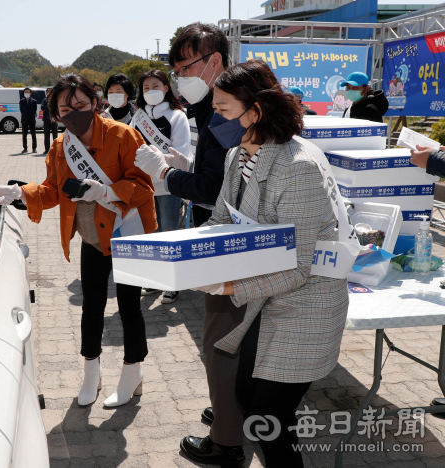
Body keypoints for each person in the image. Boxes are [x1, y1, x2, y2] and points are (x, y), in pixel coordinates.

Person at [191, 60, 349, 468]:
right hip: (265, 302)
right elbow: (223, 219)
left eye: (224, 110)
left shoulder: (297, 168)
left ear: (255, 111)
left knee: (269, 416)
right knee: (248, 397)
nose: (216, 120)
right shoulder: (235, 156)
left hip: (304, 306)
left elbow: (298, 269)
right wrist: (186, 253)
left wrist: (227, 288)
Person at [0, 73, 157, 408]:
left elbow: (144, 186)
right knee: (91, 308)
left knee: (129, 309)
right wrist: (19, 192)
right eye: (66, 109)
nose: (74, 113)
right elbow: (52, 190)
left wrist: (106, 191)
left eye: (80, 104)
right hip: (93, 240)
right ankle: (91, 374)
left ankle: (132, 371)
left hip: (129, 234)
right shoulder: (60, 146)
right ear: (56, 115)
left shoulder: (124, 135)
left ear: (95, 102)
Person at [133, 22, 244, 467]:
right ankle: (230, 411)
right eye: (174, 69)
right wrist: (184, 163)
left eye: (184, 67)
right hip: (233, 242)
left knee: (220, 341)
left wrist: (167, 175)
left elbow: (216, 190)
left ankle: (227, 441)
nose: (179, 79)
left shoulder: (225, 114)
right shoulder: (216, 109)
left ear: (214, 61)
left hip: (232, 248)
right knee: (233, 339)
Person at [132, 69, 190, 304]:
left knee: (169, 233)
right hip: (144, 188)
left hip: (168, 185)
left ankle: (174, 283)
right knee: (150, 234)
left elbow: (181, 153)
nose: (151, 91)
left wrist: (158, 161)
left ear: (166, 88)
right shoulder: (138, 117)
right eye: (146, 88)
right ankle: (156, 279)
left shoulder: (178, 116)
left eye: (155, 86)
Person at [20, 87, 38, 153]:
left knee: (33, 134)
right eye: (25, 92)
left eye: (28, 92)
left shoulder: (34, 101)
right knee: (24, 135)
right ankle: (25, 148)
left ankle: (34, 148)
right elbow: (21, 110)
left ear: (30, 93)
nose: (26, 93)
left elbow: (34, 110)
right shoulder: (21, 101)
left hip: (32, 119)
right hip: (24, 120)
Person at [42, 87, 58, 154]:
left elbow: (57, 108)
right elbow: (42, 107)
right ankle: (47, 149)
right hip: (46, 120)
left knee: (55, 135)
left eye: (51, 91)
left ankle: (56, 149)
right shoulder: (44, 100)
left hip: (53, 120)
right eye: (48, 91)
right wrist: (49, 105)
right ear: (46, 93)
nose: (49, 93)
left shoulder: (55, 100)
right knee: (46, 135)